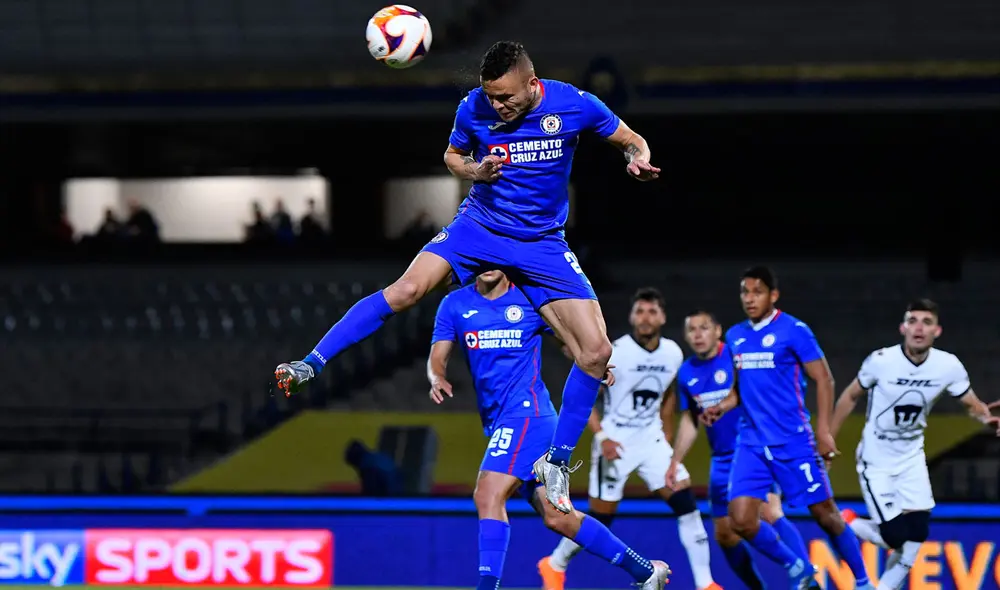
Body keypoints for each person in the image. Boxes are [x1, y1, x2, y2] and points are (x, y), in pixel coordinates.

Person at [274, 40, 660, 514]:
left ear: (531, 83)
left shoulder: (574, 104)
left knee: (597, 352)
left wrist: (634, 159)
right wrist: (476, 170)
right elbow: (452, 157)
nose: (498, 105)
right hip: (479, 228)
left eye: (507, 97)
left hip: (542, 243)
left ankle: (556, 462)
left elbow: (630, 138)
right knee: (407, 290)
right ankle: (311, 362)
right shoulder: (472, 107)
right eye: (492, 97)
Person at [428, 271, 670, 590]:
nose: (487, 263)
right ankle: (644, 572)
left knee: (488, 493)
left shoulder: (529, 297)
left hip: (529, 414)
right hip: (502, 421)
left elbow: (569, 339)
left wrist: (593, 362)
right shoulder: (454, 304)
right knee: (559, 518)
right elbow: (437, 356)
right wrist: (437, 376)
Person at [701, 266, 872, 590]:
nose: (750, 299)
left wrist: (823, 432)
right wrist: (720, 407)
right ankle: (799, 566)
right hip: (751, 442)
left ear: (773, 295)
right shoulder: (736, 336)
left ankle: (863, 582)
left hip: (793, 440)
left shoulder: (794, 330)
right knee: (740, 520)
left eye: (757, 292)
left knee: (826, 514)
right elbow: (740, 390)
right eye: (745, 292)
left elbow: (824, 379)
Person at [539, 288, 718, 590]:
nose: (645, 318)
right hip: (615, 441)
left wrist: (668, 443)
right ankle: (555, 564)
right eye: (639, 311)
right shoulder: (615, 351)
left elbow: (668, 397)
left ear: (662, 317)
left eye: (651, 311)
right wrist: (603, 437)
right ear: (632, 316)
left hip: (651, 442)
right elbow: (586, 399)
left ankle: (706, 583)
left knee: (687, 505)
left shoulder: (673, 353)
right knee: (602, 517)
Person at [830, 298, 1000, 590]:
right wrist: (827, 438)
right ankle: (846, 520)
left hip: (911, 456)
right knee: (896, 536)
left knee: (917, 535)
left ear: (938, 331)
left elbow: (970, 403)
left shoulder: (948, 366)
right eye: (913, 321)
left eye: (926, 322)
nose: (919, 328)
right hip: (877, 456)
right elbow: (850, 396)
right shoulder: (881, 361)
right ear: (902, 328)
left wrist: (986, 418)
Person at [669, 309, 814, 590]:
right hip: (720, 459)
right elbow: (690, 420)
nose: (698, 335)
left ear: (718, 331)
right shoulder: (687, 372)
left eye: (704, 328)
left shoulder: (737, 355)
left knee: (770, 512)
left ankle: (805, 574)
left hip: (753, 451)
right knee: (725, 534)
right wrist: (675, 461)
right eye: (692, 330)